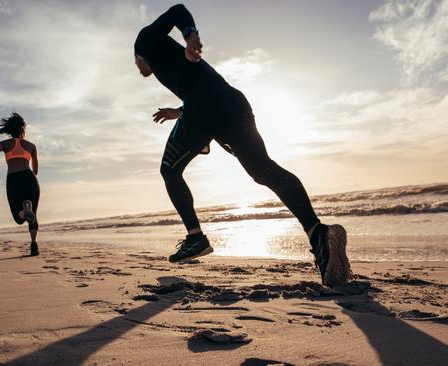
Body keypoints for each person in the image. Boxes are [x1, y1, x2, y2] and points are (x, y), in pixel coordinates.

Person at [134, 4, 351, 286]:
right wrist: (180, 111)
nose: (140, 69)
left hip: (203, 109)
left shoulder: (144, 42)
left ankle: (195, 238)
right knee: (264, 171)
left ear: (138, 57)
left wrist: (190, 36)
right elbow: (200, 86)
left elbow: (177, 10)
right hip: (232, 103)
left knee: (170, 171)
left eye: (137, 65)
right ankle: (319, 234)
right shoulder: (170, 61)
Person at [0, 112, 41, 256]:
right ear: (23, 130)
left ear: (9, 130)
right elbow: (35, 170)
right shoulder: (31, 146)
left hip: (13, 179)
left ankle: (23, 212)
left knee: (18, 218)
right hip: (29, 178)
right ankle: (34, 245)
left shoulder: (4, 144)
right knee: (34, 216)